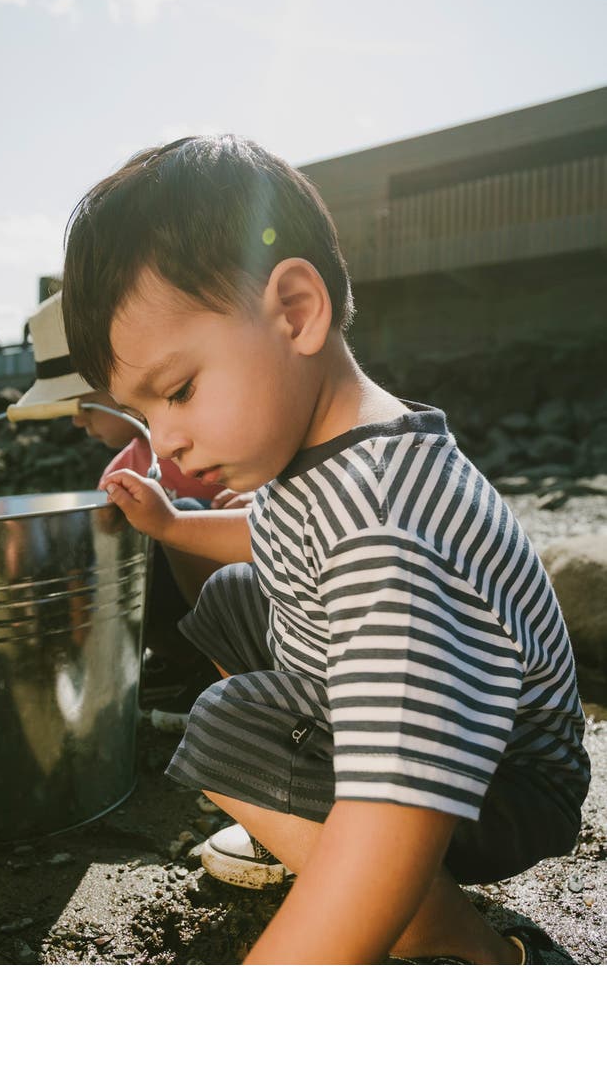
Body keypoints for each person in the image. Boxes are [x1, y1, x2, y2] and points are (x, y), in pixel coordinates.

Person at [60, 134, 591, 965]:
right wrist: (171, 524)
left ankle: (470, 953)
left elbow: (400, 807)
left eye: (180, 390)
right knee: (237, 595)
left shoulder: (384, 525)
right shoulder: (326, 451)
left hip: (494, 779)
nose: (165, 444)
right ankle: (306, 822)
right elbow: (272, 538)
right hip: (442, 731)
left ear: (297, 311)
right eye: (143, 416)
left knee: (228, 729)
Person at [14, 290, 248, 727]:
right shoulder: (124, 471)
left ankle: (222, 668)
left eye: (80, 405)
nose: (76, 422)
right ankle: (180, 661)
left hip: (255, 603)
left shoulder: (211, 434)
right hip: (175, 619)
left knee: (191, 511)